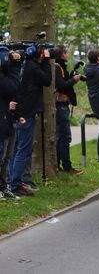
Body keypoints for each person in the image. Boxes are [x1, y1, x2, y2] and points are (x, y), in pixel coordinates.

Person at [9, 45, 52, 196]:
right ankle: (15, 184)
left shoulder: (24, 66)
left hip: (21, 111)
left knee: (16, 149)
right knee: (23, 149)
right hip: (26, 113)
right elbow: (47, 80)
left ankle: (12, 181)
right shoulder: (32, 67)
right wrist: (46, 61)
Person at [54, 46, 83, 175]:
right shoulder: (56, 67)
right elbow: (61, 85)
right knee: (64, 137)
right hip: (60, 105)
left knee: (61, 137)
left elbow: (64, 81)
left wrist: (71, 77)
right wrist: (73, 80)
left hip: (62, 105)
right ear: (62, 55)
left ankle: (59, 165)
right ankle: (66, 167)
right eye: (66, 53)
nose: (67, 55)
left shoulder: (60, 67)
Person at [0, 48, 21, 199]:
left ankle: (3, 186)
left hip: (8, 118)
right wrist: (15, 66)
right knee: (1, 156)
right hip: (3, 121)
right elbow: (14, 87)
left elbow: (13, 94)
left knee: (7, 156)